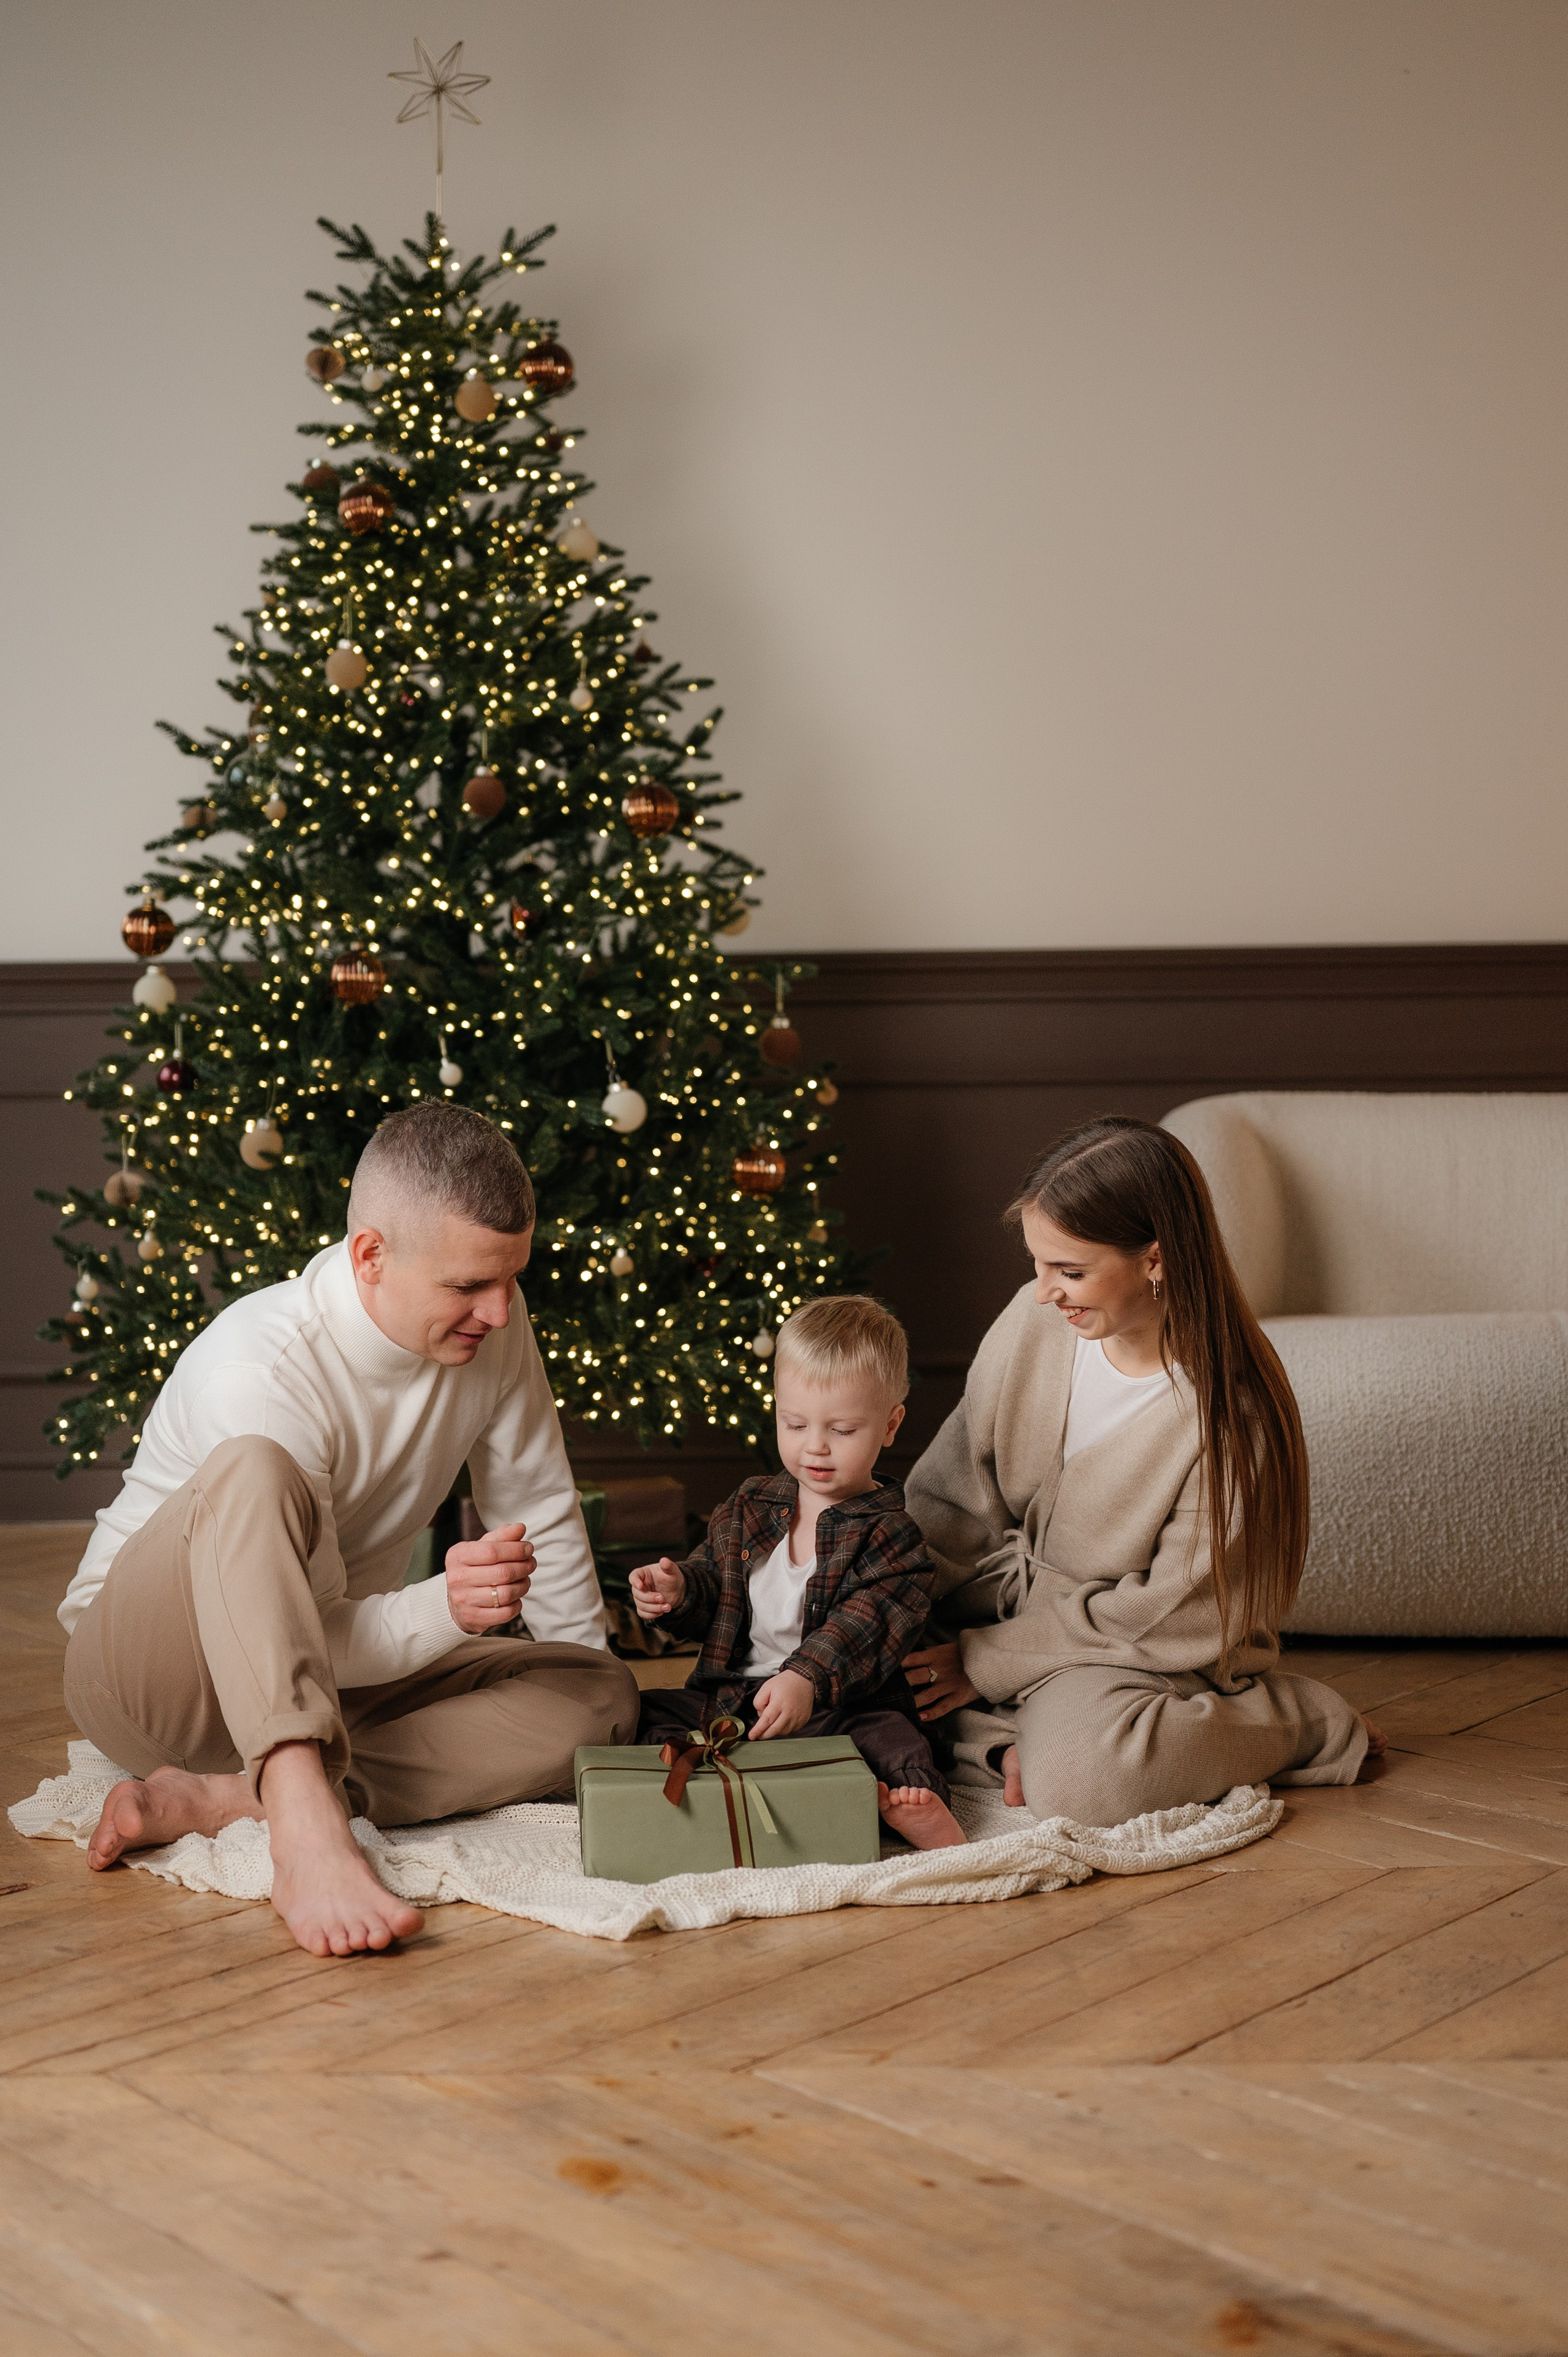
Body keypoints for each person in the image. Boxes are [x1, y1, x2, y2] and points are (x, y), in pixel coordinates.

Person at [60, 1101, 638, 1958]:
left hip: (323, 1671)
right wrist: (445, 1607)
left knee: (599, 1696)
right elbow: (309, 1635)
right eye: (469, 1285)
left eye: (510, 1277)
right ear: (371, 1256)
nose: (502, 1311)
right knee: (255, 1466)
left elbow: (540, 1510)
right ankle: (299, 1824)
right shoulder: (260, 1367)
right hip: (155, 1682)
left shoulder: (492, 1336)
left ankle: (228, 1800)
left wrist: (591, 1690)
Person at [902, 1115, 1380, 1825]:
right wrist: (890, 1600)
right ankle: (1008, 1739)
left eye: (1069, 1271)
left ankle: (1297, 1721)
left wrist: (984, 1660)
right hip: (993, 1613)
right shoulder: (1035, 1325)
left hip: (1126, 1650)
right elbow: (948, 1498)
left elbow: (1170, 1618)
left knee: (1088, 1780)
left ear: (1155, 1260)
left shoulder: (1228, 1419)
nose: (1043, 1293)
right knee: (841, 1666)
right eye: (1035, 1264)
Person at [630, 1295, 966, 1849]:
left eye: (843, 1430)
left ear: (890, 1426)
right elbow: (718, 1586)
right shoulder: (751, 1503)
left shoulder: (892, 1533)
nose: (815, 1446)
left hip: (839, 1705)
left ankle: (913, 1808)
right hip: (739, 1698)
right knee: (642, 1710)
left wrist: (805, 1677)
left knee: (893, 1739)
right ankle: (719, 1781)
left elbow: (866, 1623)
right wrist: (681, 1590)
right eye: (795, 1423)